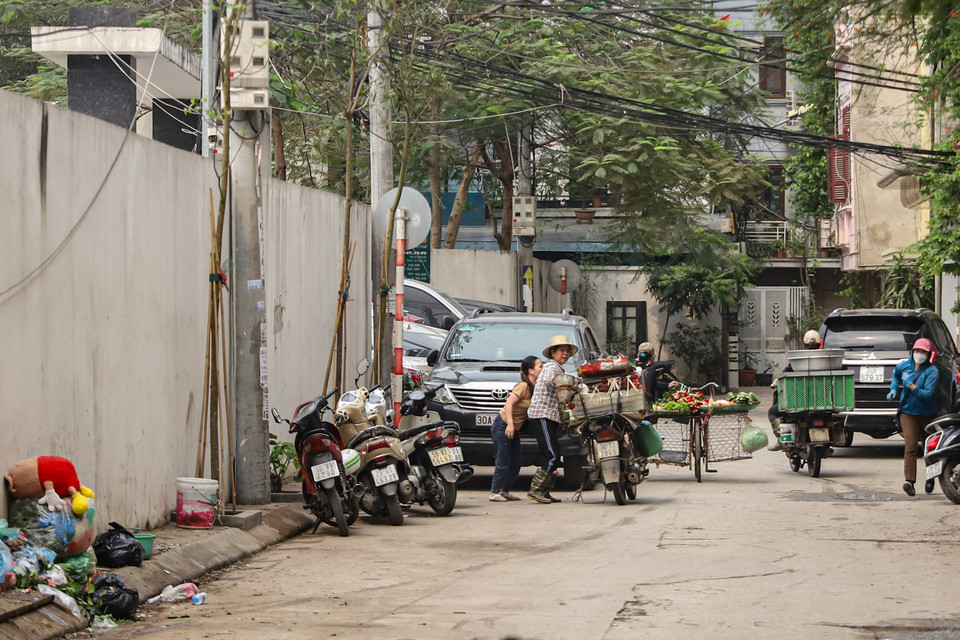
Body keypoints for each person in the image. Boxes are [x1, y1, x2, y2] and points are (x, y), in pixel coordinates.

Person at [526, 335, 577, 503]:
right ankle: (536, 489)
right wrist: (566, 382)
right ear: (553, 352)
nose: (565, 353)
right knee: (552, 455)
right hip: (542, 414)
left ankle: (545, 490)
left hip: (551, 415)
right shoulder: (551, 368)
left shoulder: (558, 368)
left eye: (567, 350)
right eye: (562, 350)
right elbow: (550, 381)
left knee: (552, 454)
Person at [887, 338, 941, 496]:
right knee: (910, 447)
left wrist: (911, 385)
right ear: (912, 352)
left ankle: (930, 477)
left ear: (928, 354)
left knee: (928, 448)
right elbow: (895, 375)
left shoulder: (932, 371)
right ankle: (909, 481)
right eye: (917, 351)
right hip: (907, 413)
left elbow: (927, 395)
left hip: (927, 414)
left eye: (923, 352)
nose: (919, 354)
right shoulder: (904, 366)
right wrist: (893, 389)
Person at [489, 355, 542, 502]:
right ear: (531, 371)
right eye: (540, 366)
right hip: (503, 425)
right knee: (503, 459)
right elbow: (509, 404)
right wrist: (511, 424)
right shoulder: (523, 386)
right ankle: (494, 492)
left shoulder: (535, 387)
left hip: (513, 428)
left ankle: (504, 490)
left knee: (516, 461)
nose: (542, 369)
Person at [767, 329, 822, 451]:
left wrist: (776, 381)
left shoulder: (799, 359)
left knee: (773, 412)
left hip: (798, 401)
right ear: (819, 344)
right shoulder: (827, 359)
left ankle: (781, 439)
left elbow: (785, 373)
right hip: (821, 402)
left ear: (805, 344)